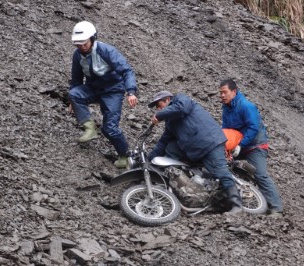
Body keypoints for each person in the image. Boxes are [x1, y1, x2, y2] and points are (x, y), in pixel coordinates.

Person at [148, 90, 243, 214]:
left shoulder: (181, 99)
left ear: (167, 99)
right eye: (156, 107)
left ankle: (237, 206)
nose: (158, 108)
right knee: (206, 174)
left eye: (159, 104)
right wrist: (149, 159)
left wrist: (160, 115)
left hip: (211, 142)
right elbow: (162, 143)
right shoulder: (171, 123)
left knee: (220, 171)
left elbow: (181, 108)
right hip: (198, 151)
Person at [68, 21, 138, 168]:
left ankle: (125, 156)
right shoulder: (77, 55)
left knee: (110, 128)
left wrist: (131, 92)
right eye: (78, 45)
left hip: (113, 91)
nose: (81, 47)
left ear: (92, 39)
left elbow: (127, 71)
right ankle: (90, 129)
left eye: (84, 44)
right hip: (93, 88)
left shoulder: (106, 51)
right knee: (74, 94)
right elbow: (76, 79)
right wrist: (72, 102)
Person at [219, 79, 283, 217]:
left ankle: (277, 209)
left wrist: (241, 145)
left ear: (234, 91)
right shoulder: (226, 108)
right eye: (220, 93)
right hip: (239, 145)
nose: (222, 96)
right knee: (227, 167)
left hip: (255, 145)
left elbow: (253, 127)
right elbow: (226, 129)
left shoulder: (246, 106)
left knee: (260, 174)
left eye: (225, 92)